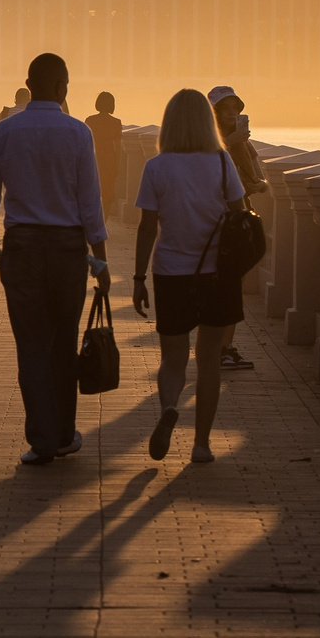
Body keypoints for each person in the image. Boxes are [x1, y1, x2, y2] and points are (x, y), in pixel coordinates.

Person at [0, 53, 108, 465]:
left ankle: (41, 440)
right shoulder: (78, 133)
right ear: (62, 86)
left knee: (31, 346)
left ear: (28, 85)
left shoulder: (4, 131)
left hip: (23, 246)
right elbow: (90, 201)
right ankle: (64, 433)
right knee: (63, 344)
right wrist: (99, 259)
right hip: (68, 250)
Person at [132, 89, 249, 464]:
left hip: (171, 272)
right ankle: (201, 444)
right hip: (217, 273)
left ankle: (169, 407)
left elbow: (147, 226)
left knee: (173, 357)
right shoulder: (220, 161)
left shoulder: (157, 166)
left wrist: (137, 277)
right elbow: (240, 212)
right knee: (210, 357)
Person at [209, 86, 264, 373]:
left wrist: (257, 183)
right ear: (214, 111)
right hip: (218, 220)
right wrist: (229, 142)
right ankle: (219, 349)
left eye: (236, 108)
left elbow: (253, 172)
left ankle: (224, 347)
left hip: (238, 216)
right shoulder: (208, 140)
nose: (232, 114)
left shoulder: (242, 144)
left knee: (234, 283)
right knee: (225, 285)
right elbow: (207, 168)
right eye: (226, 109)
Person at [85, 91, 124, 222]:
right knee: (107, 195)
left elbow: (86, 143)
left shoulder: (90, 120)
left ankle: (92, 221)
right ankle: (104, 222)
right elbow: (118, 147)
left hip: (93, 159)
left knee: (92, 192)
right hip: (109, 160)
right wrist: (117, 164)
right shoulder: (116, 122)